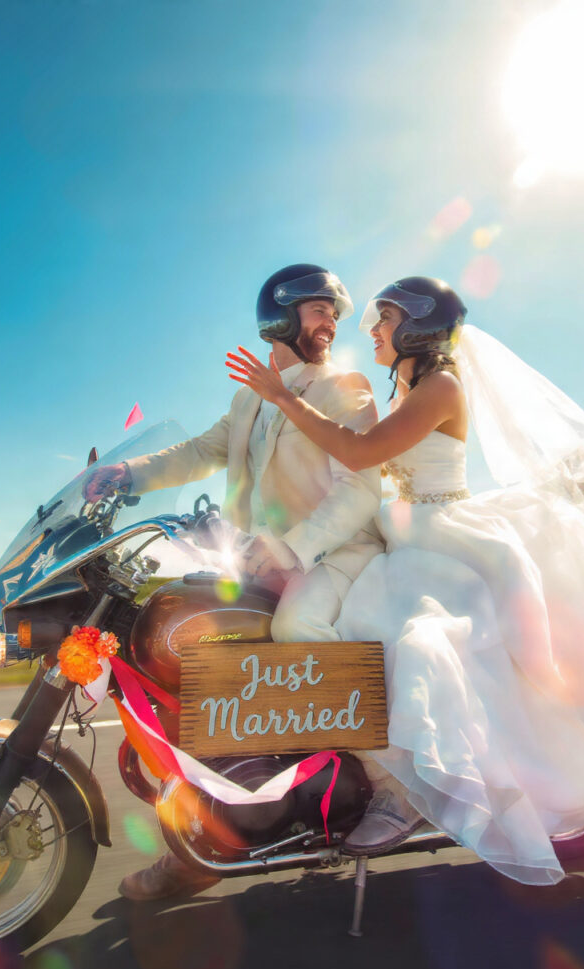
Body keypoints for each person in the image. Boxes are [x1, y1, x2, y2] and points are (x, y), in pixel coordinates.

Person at [226, 276, 584, 886]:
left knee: (421, 648)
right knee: (344, 631)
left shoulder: (441, 387)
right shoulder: (408, 387)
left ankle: (407, 796)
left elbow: (361, 452)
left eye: (385, 319)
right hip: (405, 539)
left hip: (442, 539)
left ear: (419, 326)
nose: (371, 330)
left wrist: (286, 399)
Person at [86, 263, 384, 898]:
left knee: (292, 626)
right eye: (316, 309)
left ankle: (377, 777)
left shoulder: (345, 390)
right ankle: (213, 832)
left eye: (334, 312)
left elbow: (359, 491)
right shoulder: (249, 396)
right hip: (258, 556)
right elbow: (199, 451)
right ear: (277, 315)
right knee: (180, 645)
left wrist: (291, 548)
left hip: (335, 553)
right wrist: (124, 476)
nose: (330, 321)